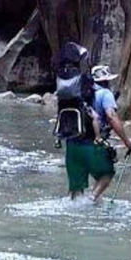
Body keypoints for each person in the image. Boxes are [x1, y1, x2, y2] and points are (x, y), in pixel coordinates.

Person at [54, 42, 106, 199]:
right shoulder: (82, 78)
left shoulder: (60, 76)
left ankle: (73, 199)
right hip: (84, 128)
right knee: (105, 174)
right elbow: (89, 96)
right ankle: (90, 201)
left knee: (75, 185)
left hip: (67, 128)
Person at [88, 65, 131, 203]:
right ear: (106, 80)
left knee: (96, 173)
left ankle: (93, 199)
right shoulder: (105, 93)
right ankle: (90, 202)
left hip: (76, 142)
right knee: (108, 173)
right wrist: (127, 141)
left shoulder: (83, 94)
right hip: (94, 141)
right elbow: (111, 116)